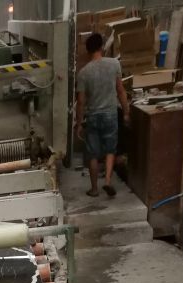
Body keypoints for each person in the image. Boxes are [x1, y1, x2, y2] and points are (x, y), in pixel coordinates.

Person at [75, 32, 130, 198]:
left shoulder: (83, 73)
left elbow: (81, 101)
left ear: (88, 51)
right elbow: (120, 91)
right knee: (110, 150)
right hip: (110, 114)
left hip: (93, 116)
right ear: (102, 47)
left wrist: (79, 123)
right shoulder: (114, 64)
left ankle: (94, 189)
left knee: (92, 154)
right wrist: (126, 112)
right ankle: (107, 181)